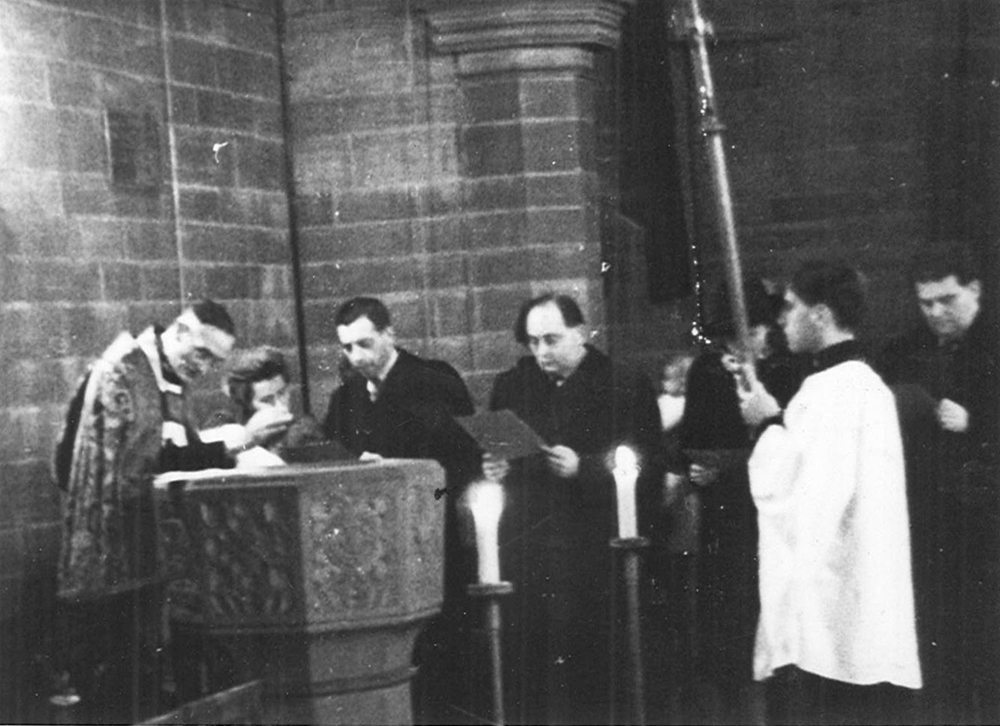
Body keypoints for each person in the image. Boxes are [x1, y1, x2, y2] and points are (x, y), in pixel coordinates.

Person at [52, 300, 288, 723]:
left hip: (144, 556)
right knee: (120, 691)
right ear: (178, 331)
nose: (204, 366)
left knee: (147, 682)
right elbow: (138, 468)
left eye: (214, 361)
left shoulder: (163, 374)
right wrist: (233, 445)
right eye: (201, 353)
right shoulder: (125, 371)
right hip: (113, 560)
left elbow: (159, 455)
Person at [739, 261, 921, 725]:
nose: (782, 319)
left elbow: (803, 503)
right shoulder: (857, 386)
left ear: (820, 314)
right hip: (852, 611)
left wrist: (765, 422)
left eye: (791, 308)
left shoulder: (835, 392)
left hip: (830, 621)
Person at [484, 293, 662, 725]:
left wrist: (584, 468)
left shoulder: (623, 383)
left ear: (582, 333)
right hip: (530, 552)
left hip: (595, 552)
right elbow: (499, 452)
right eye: (532, 342)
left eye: (552, 339)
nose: (541, 352)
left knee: (595, 673)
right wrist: (495, 467)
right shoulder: (513, 387)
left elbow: (652, 466)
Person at [320, 296, 481, 725]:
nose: (357, 357)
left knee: (440, 660)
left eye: (365, 344)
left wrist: (399, 477)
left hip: (433, 537)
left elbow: (463, 466)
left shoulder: (433, 381)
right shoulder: (345, 398)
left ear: (390, 334)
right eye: (348, 348)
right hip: (373, 553)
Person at [676, 278, 804, 724]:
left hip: (768, 514)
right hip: (723, 514)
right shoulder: (707, 372)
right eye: (727, 335)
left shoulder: (788, 371)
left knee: (765, 618)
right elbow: (690, 437)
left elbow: (791, 443)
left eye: (745, 332)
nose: (736, 343)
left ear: (765, 327)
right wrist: (695, 467)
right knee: (723, 625)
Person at [878, 247, 999, 724]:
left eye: (946, 299)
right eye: (925, 303)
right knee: (939, 654)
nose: (935, 313)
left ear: (975, 290)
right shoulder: (905, 351)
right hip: (930, 524)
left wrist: (979, 421)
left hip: (987, 528)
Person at [202, 346, 322, 466]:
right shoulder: (221, 426)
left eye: (282, 394)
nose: (281, 407)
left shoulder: (303, 430)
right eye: (266, 400)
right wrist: (248, 437)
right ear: (243, 403)